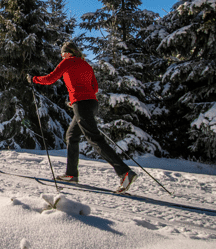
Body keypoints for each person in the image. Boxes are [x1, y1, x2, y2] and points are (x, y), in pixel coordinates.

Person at [29, 42, 137, 193]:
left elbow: (50, 79)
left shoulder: (67, 62)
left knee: (94, 139)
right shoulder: (86, 65)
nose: (61, 56)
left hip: (82, 104)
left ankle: (124, 172)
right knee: (71, 136)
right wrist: (75, 101)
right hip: (91, 103)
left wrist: (33, 79)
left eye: (62, 53)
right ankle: (71, 174)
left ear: (68, 53)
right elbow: (95, 88)